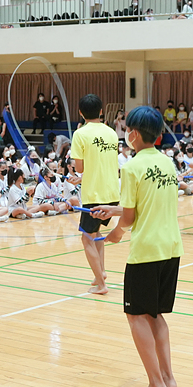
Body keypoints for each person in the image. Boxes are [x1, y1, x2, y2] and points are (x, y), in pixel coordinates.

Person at [90, 106, 183, 387]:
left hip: (146, 252)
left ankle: (155, 382)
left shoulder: (131, 167)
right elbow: (144, 206)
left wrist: (115, 232)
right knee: (154, 315)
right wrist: (115, 209)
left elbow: (129, 219)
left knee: (135, 316)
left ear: (132, 134)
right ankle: (167, 378)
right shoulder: (168, 163)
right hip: (171, 249)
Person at [71, 93, 121, 295]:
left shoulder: (80, 134)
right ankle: (101, 272)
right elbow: (102, 165)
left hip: (94, 195)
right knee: (97, 235)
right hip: (112, 192)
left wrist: (81, 176)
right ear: (101, 111)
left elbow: (80, 167)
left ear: (80, 113)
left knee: (86, 238)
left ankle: (101, 284)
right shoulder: (112, 133)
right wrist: (83, 178)